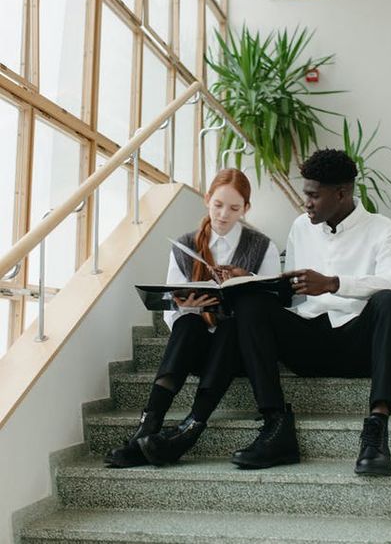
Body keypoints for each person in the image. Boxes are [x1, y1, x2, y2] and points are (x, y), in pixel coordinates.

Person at [231, 149, 391, 475]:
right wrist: (253, 284)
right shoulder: (301, 227)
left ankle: (376, 431)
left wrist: (333, 283)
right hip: (309, 343)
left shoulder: (383, 230)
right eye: (306, 194)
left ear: (341, 193)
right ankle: (276, 426)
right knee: (250, 303)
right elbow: (295, 298)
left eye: (314, 195)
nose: (306, 202)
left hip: (357, 347)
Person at [105, 168, 281, 468]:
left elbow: (271, 310)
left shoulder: (263, 247)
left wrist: (245, 282)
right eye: (218, 205)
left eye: (234, 208)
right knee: (186, 322)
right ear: (207, 200)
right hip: (196, 349)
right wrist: (189, 307)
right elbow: (171, 314)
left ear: (246, 209)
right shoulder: (186, 246)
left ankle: (192, 426)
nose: (224, 214)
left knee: (231, 326)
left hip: (238, 352)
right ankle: (149, 425)